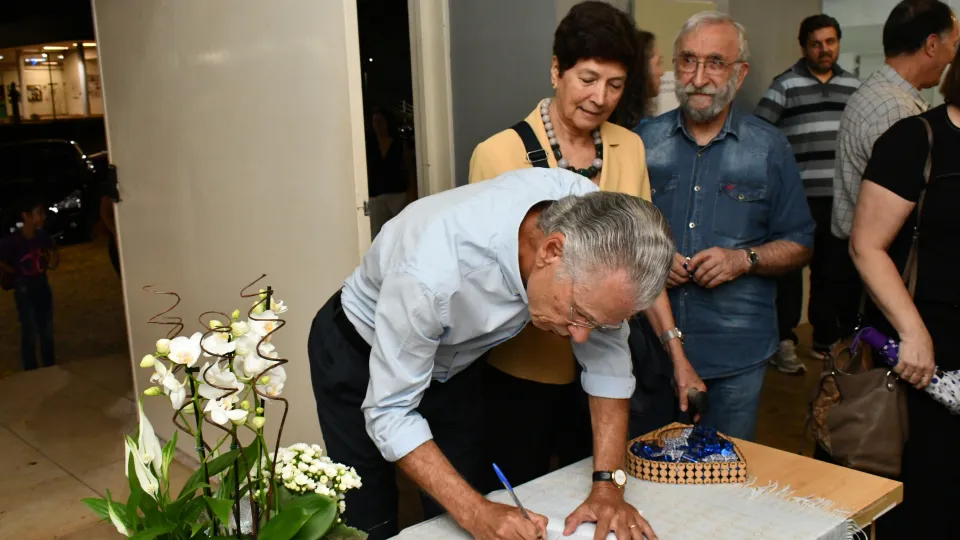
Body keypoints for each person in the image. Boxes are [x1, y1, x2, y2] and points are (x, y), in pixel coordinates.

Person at [308, 167, 671, 540]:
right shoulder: (430, 271)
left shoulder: (594, 223)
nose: (581, 338)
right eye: (578, 314)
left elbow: (608, 363)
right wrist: (479, 514)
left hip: (453, 364)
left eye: (596, 323)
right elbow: (390, 412)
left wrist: (608, 486)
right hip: (356, 352)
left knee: (461, 507)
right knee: (368, 517)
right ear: (551, 251)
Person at [468, 0, 703, 486]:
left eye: (615, 85)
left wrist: (675, 352)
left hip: (606, 371)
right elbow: (489, 279)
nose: (600, 97)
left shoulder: (628, 146)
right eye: (588, 79)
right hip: (521, 372)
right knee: (523, 496)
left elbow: (641, 269)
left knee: (601, 490)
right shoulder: (499, 153)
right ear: (557, 70)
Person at [637, 12, 815, 441]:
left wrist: (745, 259)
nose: (699, 77)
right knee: (646, 480)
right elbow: (615, 238)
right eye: (688, 61)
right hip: (649, 355)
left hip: (738, 353)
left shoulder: (769, 148)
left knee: (727, 477)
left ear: (740, 72)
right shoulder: (640, 143)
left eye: (715, 62)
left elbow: (801, 243)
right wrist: (654, 262)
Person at [848, 50, 960, 539]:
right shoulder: (916, 139)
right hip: (932, 353)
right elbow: (866, 245)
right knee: (932, 492)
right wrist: (914, 333)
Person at [831, 0, 958, 351]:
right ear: (933, 45)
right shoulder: (895, 112)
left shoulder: (894, 100)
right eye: (954, 45)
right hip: (876, 276)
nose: (952, 58)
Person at [754, 14, 860, 373]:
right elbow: (760, 135)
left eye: (830, 41)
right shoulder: (785, 85)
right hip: (795, 199)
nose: (824, 49)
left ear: (838, 43)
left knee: (832, 271)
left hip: (839, 196)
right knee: (788, 272)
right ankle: (784, 340)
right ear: (804, 47)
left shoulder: (853, 86)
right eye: (816, 43)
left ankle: (825, 338)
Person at [0, 194, 59, 371]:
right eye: (38, 213)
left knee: (45, 328)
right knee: (30, 328)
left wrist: (53, 258)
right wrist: (11, 271)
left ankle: (48, 365)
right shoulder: (13, 240)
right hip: (25, 287)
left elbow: (52, 254)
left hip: (40, 284)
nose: (43, 216)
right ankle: (31, 367)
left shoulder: (41, 236)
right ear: (25, 216)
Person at [365, 108, 414, 237]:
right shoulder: (369, 145)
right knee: (377, 232)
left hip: (397, 193)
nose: (377, 124)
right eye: (375, 121)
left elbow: (408, 167)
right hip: (376, 195)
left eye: (380, 121)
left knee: (399, 231)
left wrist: (410, 191)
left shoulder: (398, 143)